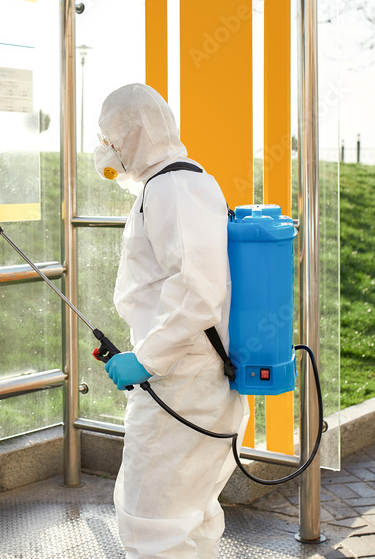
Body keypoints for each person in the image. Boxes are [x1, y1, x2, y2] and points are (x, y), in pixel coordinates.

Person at [93, 83, 249, 558]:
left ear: (134, 134)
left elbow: (197, 291)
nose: (105, 148)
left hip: (182, 382)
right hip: (196, 380)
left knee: (152, 522)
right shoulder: (189, 178)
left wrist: (146, 358)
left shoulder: (171, 187)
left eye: (110, 137)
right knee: (193, 516)